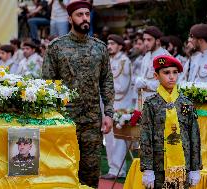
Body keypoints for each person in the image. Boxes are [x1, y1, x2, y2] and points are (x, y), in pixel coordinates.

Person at [42, 1, 114, 187]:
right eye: (79, 15)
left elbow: (106, 81)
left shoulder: (100, 48)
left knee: (91, 171)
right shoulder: (56, 47)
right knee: (64, 168)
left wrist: (109, 113)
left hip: (92, 121)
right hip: (65, 120)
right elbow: (48, 84)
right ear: (70, 18)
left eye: (86, 14)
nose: (84, 18)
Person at [140, 55, 202, 189]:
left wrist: (195, 168)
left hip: (182, 166)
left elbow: (194, 136)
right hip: (159, 166)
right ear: (156, 76)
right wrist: (147, 169)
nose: (171, 77)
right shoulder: (151, 103)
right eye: (166, 73)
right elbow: (145, 137)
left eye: (175, 72)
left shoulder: (186, 103)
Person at [101, 34, 133, 180]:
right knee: (109, 137)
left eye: (113, 44)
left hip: (121, 104)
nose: (109, 46)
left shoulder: (124, 61)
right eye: (108, 43)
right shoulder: (110, 60)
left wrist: (104, 87)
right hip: (110, 103)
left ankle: (119, 170)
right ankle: (112, 168)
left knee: (119, 139)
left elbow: (122, 86)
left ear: (120, 46)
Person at [134, 26, 169, 105]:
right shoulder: (146, 56)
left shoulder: (165, 57)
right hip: (144, 100)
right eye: (144, 39)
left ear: (157, 41)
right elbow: (142, 78)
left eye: (149, 40)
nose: (146, 43)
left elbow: (166, 83)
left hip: (158, 101)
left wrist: (146, 84)